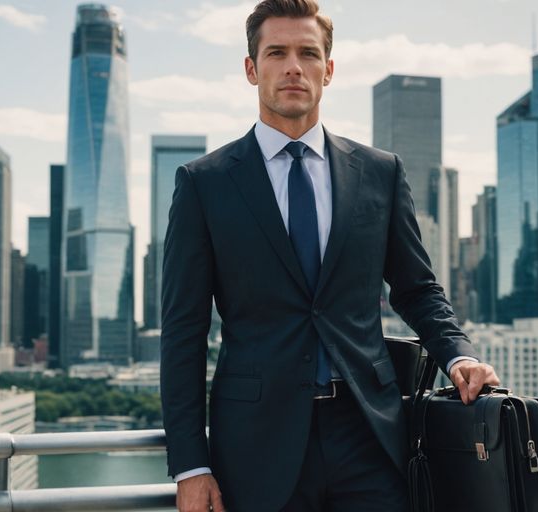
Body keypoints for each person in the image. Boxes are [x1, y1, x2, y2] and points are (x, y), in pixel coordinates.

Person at [160, 1, 501, 510]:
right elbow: (183, 330)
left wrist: (459, 353)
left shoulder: (380, 172)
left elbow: (417, 288)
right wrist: (191, 464)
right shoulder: (204, 184)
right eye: (276, 52)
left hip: (369, 434)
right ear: (252, 70)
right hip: (256, 443)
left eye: (308, 53)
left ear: (329, 69)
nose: (293, 66)